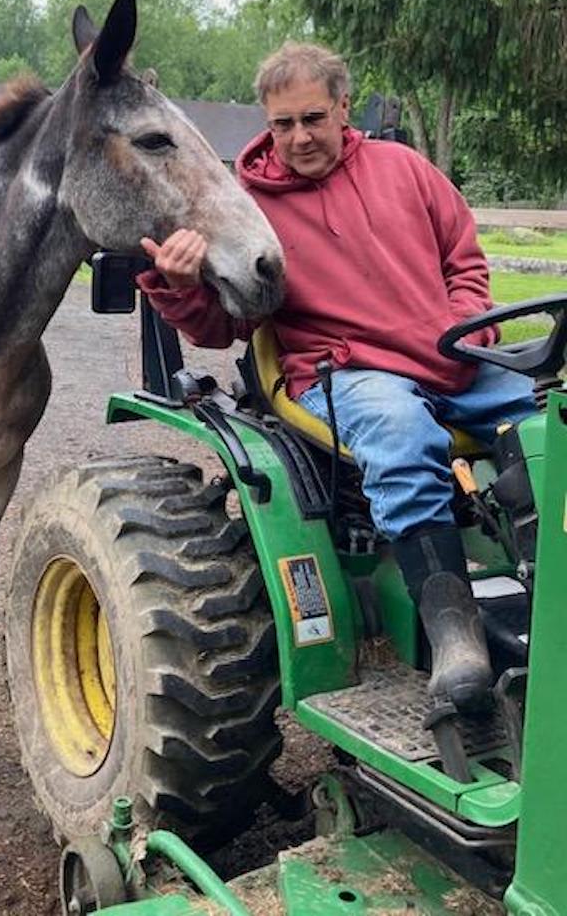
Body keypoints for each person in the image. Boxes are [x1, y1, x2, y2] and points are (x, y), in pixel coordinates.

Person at [137, 42, 535, 713]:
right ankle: (456, 634)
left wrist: (468, 326)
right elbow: (220, 326)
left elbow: (464, 264)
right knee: (402, 435)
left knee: (546, 414)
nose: (298, 137)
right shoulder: (246, 206)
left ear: (345, 107)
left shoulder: (405, 169)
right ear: (266, 118)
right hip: (344, 370)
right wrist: (177, 285)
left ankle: (539, 588)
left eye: (313, 118)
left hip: (450, 356)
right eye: (283, 122)